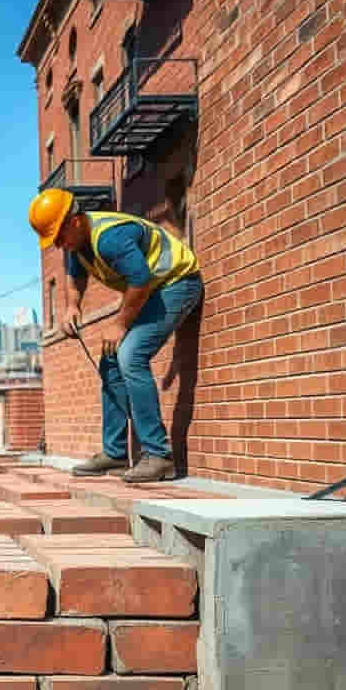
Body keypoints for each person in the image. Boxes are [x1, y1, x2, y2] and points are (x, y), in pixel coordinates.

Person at [29, 188, 202, 483]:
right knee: (110, 361)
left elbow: (141, 281)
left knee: (130, 354)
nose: (58, 245)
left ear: (75, 221)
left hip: (177, 284)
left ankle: (160, 456)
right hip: (151, 291)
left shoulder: (110, 238)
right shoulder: (77, 244)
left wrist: (120, 324)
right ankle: (115, 453)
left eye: (59, 236)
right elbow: (75, 277)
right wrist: (72, 306)